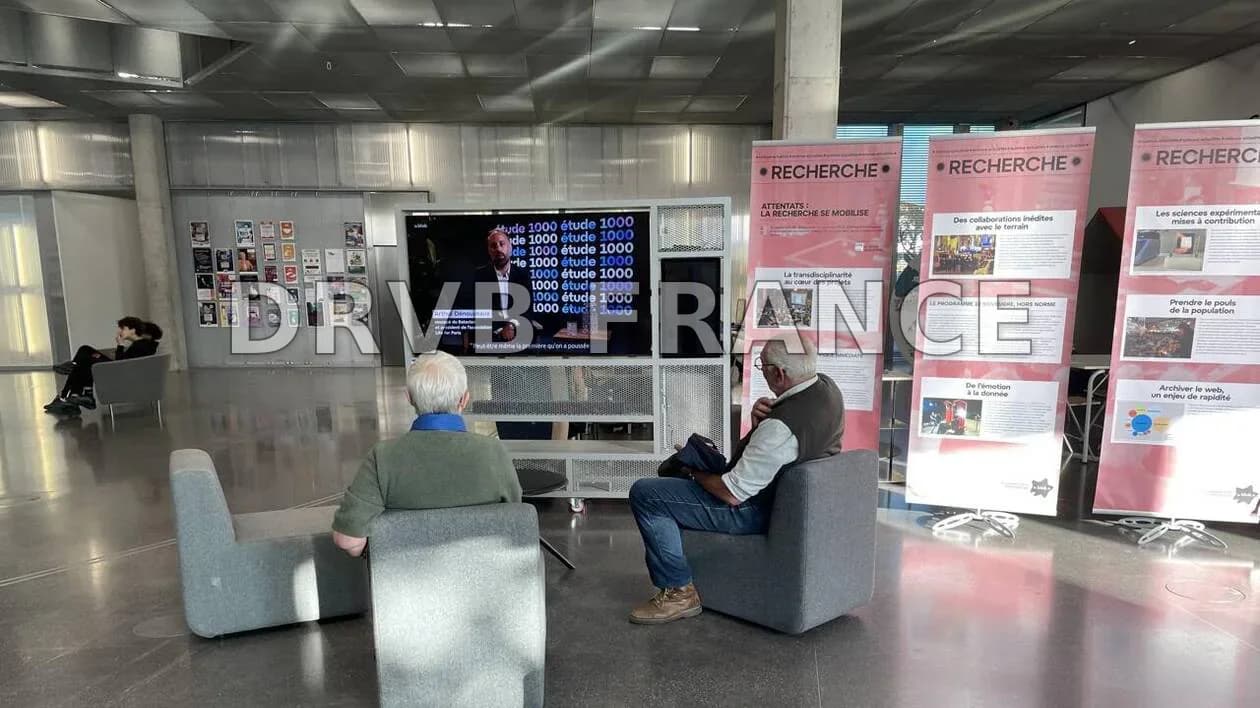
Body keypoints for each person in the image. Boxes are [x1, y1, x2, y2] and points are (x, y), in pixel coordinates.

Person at [626, 337, 844, 625]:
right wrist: (757, 425)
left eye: (763, 367)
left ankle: (679, 592)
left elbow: (732, 494)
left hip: (753, 509)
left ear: (780, 374)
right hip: (783, 498)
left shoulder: (780, 428)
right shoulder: (826, 389)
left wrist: (693, 471)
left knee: (646, 494)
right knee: (671, 487)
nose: (760, 371)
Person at [331, 351, 523, 557]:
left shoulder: (382, 457)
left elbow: (348, 540)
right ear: (464, 399)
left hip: (407, 584)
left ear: (409, 397)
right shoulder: (494, 452)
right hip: (485, 581)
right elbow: (514, 522)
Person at [46, 318, 162, 416]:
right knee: (84, 354)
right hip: (119, 371)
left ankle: (70, 394)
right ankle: (76, 395)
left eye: (123, 328)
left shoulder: (142, 346)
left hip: (118, 373)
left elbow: (121, 363)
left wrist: (120, 345)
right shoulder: (143, 345)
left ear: (134, 330)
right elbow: (125, 361)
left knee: (85, 356)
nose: (120, 331)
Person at [473, 228, 532, 342]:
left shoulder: (523, 275)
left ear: (510, 247)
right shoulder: (480, 276)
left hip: (519, 333)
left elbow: (527, 309)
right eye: (493, 246)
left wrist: (512, 326)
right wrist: (500, 330)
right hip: (491, 336)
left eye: (502, 244)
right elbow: (480, 312)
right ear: (489, 251)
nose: (498, 249)